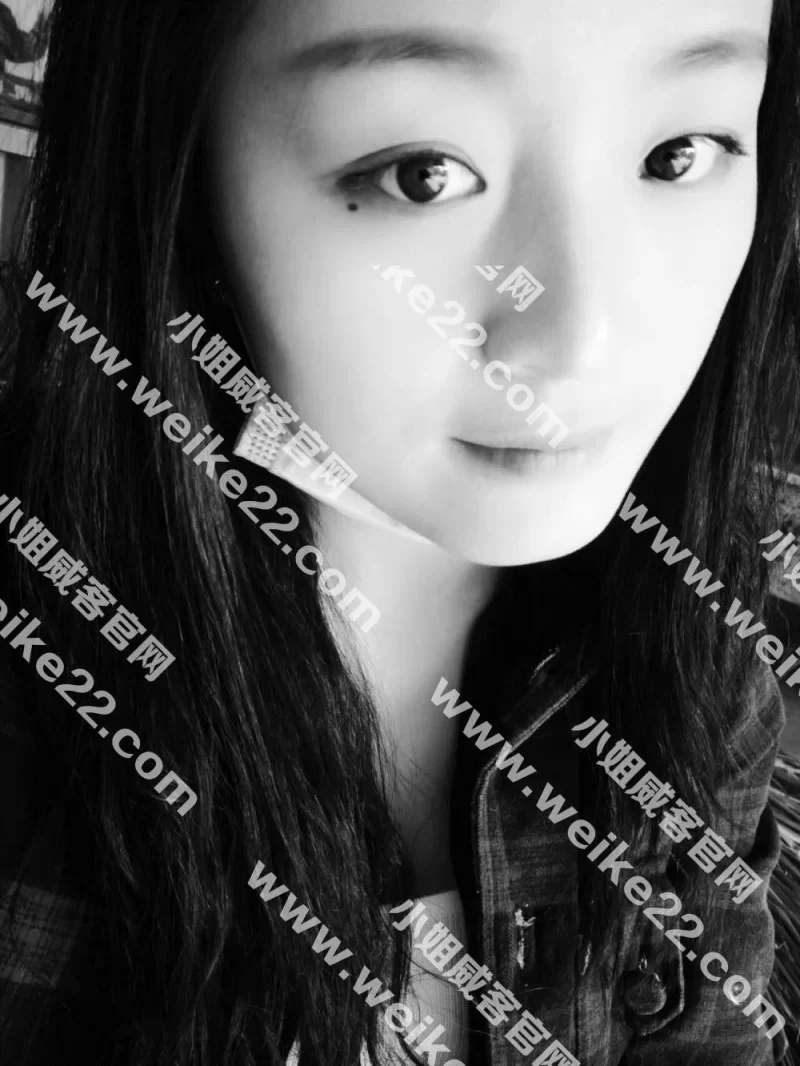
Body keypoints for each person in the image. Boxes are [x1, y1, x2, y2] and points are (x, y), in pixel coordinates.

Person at [0, 0, 798, 1063]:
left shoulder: (694, 611)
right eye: (422, 173)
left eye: (679, 153)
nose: (586, 338)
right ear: (179, 171)